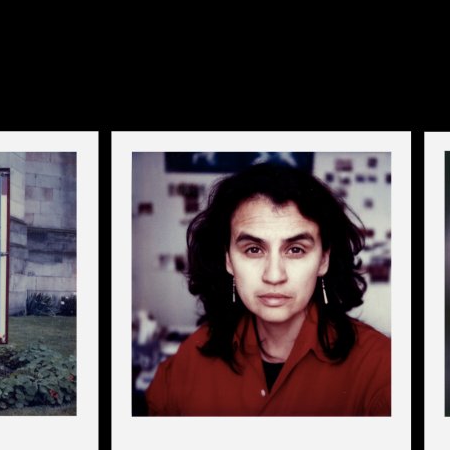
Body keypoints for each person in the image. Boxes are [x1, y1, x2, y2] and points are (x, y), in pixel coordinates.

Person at [147, 162, 390, 416]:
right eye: (253, 249)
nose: (274, 275)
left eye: (296, 250)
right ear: (229, 260)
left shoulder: (381, 369)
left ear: (323, 260)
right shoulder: (189, 361)